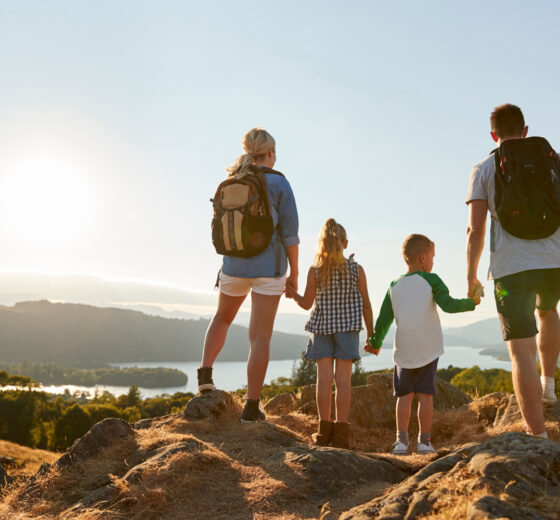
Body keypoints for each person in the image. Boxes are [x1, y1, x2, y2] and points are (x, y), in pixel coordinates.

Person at [466, 104, 560, 438]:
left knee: (521, 353)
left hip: (511, 270)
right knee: (548, 311)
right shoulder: (552, 160)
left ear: (493, 134)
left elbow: (474, 230)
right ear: (525, 130)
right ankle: (548, 384)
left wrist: (471, 276)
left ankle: (539, 437)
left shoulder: (484, 169)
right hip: (554, 263)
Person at [198, 127, 299, 423]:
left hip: (233, 266)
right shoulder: (279, 183)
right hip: (269, 269)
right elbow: (290, 235)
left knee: (222, 318)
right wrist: (294, 273)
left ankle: (205, 375)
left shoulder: (233, 180)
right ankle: (251, 407)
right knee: (260, 337)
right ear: (270, 153)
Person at [366, 234, 480, 454]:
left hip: (404, 352)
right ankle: (425, 442)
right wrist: (471, 303)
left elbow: (383, 321)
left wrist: (375, 343)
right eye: (433, 257)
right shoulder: (432, 279)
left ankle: (401, 442)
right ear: (423, 257)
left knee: (404, 397)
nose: (433, 262)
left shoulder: (394, 285)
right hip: (428, 350)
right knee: (425, 396)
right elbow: (448, 305)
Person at [286, 218, 373, 449]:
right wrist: (372, 336)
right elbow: (366, 305)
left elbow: (306, 304)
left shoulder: (315, 270)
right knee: (343, 381)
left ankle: (323, 432)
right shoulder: (356, 269)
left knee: (323, 380)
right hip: (348, 329)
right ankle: (342, 434)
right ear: (345, 243)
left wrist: (292, 294)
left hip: (322, 327)